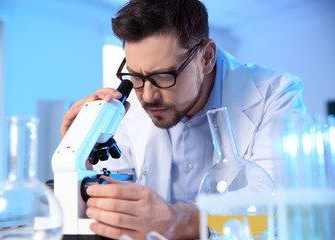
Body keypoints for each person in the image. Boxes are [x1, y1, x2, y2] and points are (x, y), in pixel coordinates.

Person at [60, 0, 307, 239]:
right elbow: (109, 207)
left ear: (207, 57)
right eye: (135, 76)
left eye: (163, 75)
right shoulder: (127, 106)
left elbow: (278, 204)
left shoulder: (275, 94)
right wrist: (80, 160)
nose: (147, 96)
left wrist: (182, 221)